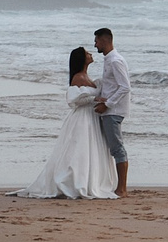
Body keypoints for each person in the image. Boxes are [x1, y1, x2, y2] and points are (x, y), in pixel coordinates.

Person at [13, 46, 116, 199]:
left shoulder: (87, 77)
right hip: (82, 118)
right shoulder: (78, 78)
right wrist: (94, 98)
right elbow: (73, 99)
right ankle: (74, 181)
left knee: (88, 150)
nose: (90, 54)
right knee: (79, 150)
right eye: (87, 53)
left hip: (92, 117)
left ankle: (88, 180)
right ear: (82, 59)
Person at [92, 27, 132, 197]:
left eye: (96, 41)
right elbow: (111, 85)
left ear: (104, 40)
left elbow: (125, 86)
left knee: (117, 148)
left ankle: (122, 189)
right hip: (110, 109)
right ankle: (113, 184)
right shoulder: (109, 60)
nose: (95, 45)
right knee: (112, 148)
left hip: (114, 111)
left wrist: (107, 104)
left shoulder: (115, 60)